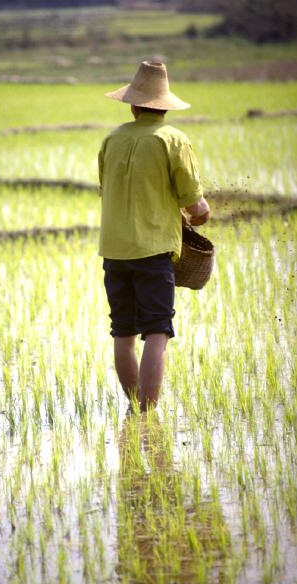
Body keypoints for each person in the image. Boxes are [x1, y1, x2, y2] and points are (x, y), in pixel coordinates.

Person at [98, 61, 210, 411]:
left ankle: (134, 407)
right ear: (163, 106)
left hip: (115, 253)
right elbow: (197, 207)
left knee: (124, 333)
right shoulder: (174, 140)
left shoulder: (112, 139)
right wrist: (199, 214)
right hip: (153, 253)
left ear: (132, 105)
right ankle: (148, 414)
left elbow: (112, 191)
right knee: (157, 333)